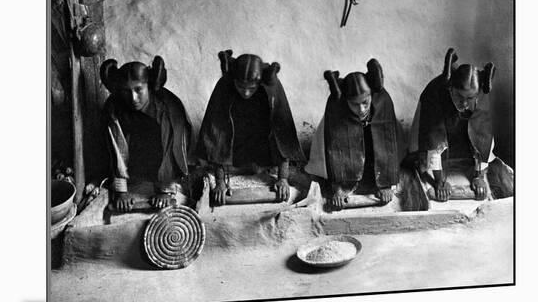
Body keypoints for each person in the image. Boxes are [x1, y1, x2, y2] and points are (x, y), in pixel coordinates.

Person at [195, 50, 306, 205]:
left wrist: (282, 179)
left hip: (262, 150)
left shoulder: (271, 89)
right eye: (241, 87)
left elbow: (282, 138)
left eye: (251, 88)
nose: (246, 93)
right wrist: (220, 182)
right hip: (235, 149)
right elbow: (217, 137)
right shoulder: (224, 87)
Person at [404, 48, 513, 205]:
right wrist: (440, 181)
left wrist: (479, 177)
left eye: (470, 98)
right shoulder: (434, 93)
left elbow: (484, 136)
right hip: (435, 130)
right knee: (421, 160)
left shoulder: (481, 93)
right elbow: (433, 140)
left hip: (461, 131)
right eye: (459, 96)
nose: (464, 103)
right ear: (451, 88)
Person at [305, 59, 401, 210]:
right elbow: (335, 150)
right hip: (349, 160)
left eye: (365, 103)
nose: (362, 109)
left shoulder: (383, 101)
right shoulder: (337, 108)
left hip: (372, 160)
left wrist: (387, 183)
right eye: (355, 104)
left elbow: (387, 145)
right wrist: (338, 188)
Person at [100, 56, 192, 212]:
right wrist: (121, 190)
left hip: (162, 165)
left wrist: (165, 191)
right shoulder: (114, 106)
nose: (133, 98)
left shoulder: (168, 109)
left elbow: (172, 147)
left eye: (138, 90)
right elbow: (117, 147)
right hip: (134, 167)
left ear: (148, 86)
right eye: (126, 91)